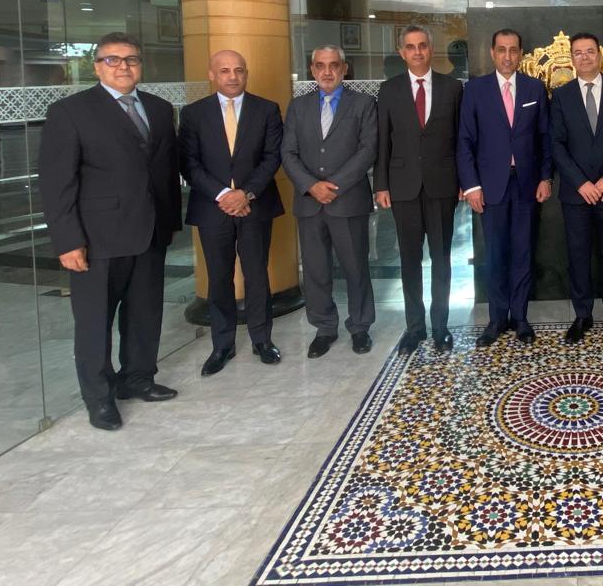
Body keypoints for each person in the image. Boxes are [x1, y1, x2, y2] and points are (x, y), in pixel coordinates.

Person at [38, 32, 182, 430]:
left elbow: (166, 171)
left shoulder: (159, 108)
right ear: (97, 66)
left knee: (145, 314)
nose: (123, 67)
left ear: (141, 65)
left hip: (149, 233)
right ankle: (99, 399)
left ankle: (138, 379)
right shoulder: (70, 112)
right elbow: (56, 182)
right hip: (97, 238)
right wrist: (68, 240)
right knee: (94, 323)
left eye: (131, 59)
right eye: (112, 60)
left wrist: (170, 222)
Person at [178, 50, 286, 377]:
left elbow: (272, 157)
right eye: (224, 70)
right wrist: (224, 195)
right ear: (212, 74)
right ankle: (222, 345)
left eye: (239, 70)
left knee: (257, 274)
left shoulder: (267, 109)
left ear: (246, 73)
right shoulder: (193, 114)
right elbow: (189, 162)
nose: (233, 76)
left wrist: (245, 193)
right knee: (219, 277)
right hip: (213, 208)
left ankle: (261, 339)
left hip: (255, 204)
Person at [457, 29, 553, 346]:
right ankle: (497, 318)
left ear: (521, 53)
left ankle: (520, 318)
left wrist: (546, 177)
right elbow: (465, 140)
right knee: (495, 255)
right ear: (492, 53)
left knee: (523, 253)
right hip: (490, 186)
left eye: (513, 50)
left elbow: (545, 138)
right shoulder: (475, 89)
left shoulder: (534, 88)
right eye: (502, 50)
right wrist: (471, 186)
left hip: (527, 184)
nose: (508, 56)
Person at [281, 45, 378, 358]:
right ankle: (324, 327)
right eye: (320, 65)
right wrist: (311, 186)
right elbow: (288, 152)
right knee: (315, 270)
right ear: (312, 70)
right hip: (310, 203)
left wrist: (333, 186)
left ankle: (360, 326)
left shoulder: (363, 104)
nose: (327, 71)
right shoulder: (298, 106)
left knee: (355, 267)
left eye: (334, 65)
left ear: (344, 69)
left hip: (347, 200)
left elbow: (368, 150)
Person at [373, 25, 464, 356]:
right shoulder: (389, 90)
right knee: (409, 260)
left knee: (442, 259)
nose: (417, 52)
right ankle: (415, 328)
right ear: (402, 52)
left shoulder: (452, 87)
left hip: (442, 185)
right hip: (403, 187)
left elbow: (460, 139)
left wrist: (464, 181)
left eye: (422, 45)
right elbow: (383, 140)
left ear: (431, 49)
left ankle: (440, 327)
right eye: (410, 47)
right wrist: (381, 184)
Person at [549, 31, 603, 346]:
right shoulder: (561, 96)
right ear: (571, 59)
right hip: (576, 194)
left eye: (590, 51)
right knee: (578, 257)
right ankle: (582, 315)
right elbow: (556, 145)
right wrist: (582, 183)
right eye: (578, 52)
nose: (584, 57)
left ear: (600, 55)